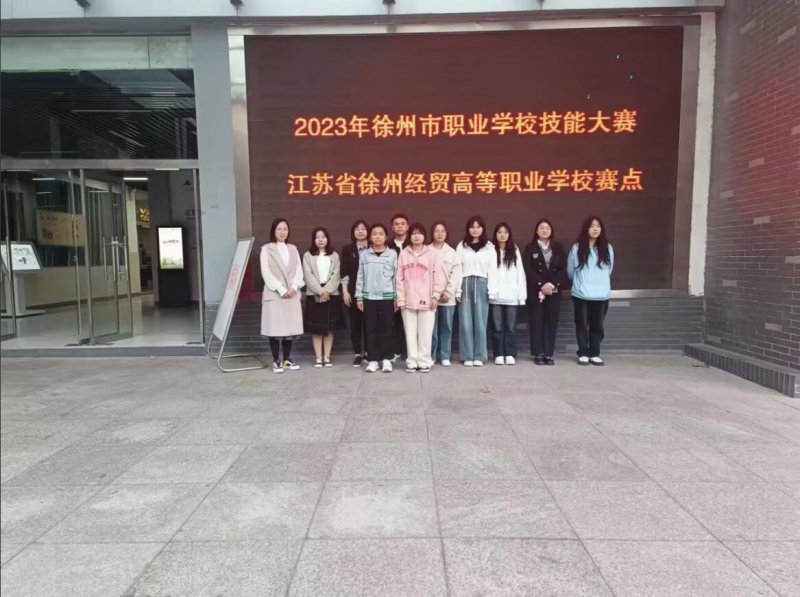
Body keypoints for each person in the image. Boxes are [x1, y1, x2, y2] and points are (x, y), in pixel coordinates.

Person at [567, 215, 615, 366]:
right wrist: (580, 284)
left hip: (601, 295)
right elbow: (571, 270)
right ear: (586, 229)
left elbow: (609, 270)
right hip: (581, 294)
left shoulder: (607, 248)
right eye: (592, 226)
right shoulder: (577, 248)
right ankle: (583, 352)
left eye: (598, 226)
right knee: (581, 325)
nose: (595, 229)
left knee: (597, 326)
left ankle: (594, 353)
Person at [397, 223, 444, 373]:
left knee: (426, 333)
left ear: (424, 235)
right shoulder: (404, 254)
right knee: (410, 333)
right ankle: (412, 361)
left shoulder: (433, 253)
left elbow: (439, 276)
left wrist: (435, 296)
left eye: (420, 233)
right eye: (413, 233)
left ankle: (424, 361)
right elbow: (399, 278)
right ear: (409, 236)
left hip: (427, 300)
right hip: (408, 300)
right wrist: (401, 299)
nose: (416, 236)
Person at [260, 218, 304, 373]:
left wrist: (293, 288)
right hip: (275, 294)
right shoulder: (266, 249)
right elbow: (266, 272)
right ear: (273, 231)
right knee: (275, 329)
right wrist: (281, 289)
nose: (282, 232)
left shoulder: (293, 248)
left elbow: (299, 270)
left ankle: (287, 359)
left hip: (291, 294)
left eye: (285, 229)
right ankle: (276, 360)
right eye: (279, 229)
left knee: (289, 331)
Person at [523, 219, 567, 365]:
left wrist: (552, 284)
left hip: (554, 290)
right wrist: (541, 284)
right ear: (536, 231)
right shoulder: (530, 248)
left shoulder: (558, 247)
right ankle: (538, 353)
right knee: (537, 321)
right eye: (541, 228)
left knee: (551, 320)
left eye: (547, 228)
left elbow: (563, 268)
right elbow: (527, 269)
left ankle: (548, 354)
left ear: (551, 231)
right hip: (536, 290)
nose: (544, 230)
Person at [356, 223, 398, 373]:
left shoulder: (392, 254)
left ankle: (387, 359)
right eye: (374, 234)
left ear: (386, 237)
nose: (377, 236)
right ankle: (373, 360)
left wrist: (396, 298)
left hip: (387, 297)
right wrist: (359, 297)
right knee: (370, 329)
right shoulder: (364, 254)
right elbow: (360, 276)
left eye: (381, 234)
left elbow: (396, 277)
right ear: (370, 237)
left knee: (387, 329)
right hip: (369, 297)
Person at [456, 216, 494, 367]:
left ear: (483, 228)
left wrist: (492, 290)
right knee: (465, 322)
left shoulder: (489, 247)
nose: (475, 230)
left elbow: (492, 269)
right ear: (468, 229)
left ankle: (479, 355)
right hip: (465, 282)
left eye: (478, 227)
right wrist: (457, 290)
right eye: (472, 227)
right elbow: (457, 268)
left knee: (480, 321)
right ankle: (467, 355)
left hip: (482, 283)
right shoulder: (462, 245)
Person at [302, 227, 341, 368]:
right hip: (314, 295)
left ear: (327, 239)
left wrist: (327, 291)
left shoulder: (334, 255)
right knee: (317, 329)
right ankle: (318, 358)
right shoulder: (308, 255)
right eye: (317, 237)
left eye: (323, 237)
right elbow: (308, 276)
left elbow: (336, 275)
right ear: (313, 240)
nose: (321, 239)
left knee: (329, 329)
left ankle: (327, 357)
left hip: (331, 294)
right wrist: (320, 292)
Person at [488, 222, 527, 365]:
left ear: (509, 234)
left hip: (512, 296)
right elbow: (489, 273)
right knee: (497, 327)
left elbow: (520, 273)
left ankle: (510, 353)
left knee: (510, 327)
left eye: (505, 232)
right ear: (495, 234)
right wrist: (491, 292)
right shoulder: (490, 250)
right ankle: (498, 354)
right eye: (499, 232)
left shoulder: (514, 250)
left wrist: (521, 295)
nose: (502, 235)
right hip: (496, 296)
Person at [430, 221, 462, 367]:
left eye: (442, 231)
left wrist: (449, 291)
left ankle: (445, 355)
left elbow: (456, 273)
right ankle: (431, 355)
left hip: (448, 297)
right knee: (431, 329)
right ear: (432, 233)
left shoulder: (452, 252)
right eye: (437, 231)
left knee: (446, 327)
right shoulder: (427, 250)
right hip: (431, 297)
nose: (439, 233)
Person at [340, 219, 370, 367]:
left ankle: (370, 353)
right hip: (352, 292)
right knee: (355, 324)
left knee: (370, 323)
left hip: (371, 291)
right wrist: (345, 292)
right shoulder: (348, 249)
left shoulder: (374, 247)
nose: (360, 231)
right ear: (353, 232)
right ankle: (358, 353)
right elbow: (344, 272)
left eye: (363, 228)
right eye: (357, 229)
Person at [390, 213, 411, 362]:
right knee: (394, 321)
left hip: (412, 289)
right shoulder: (387, 245)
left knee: (410, 321)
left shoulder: (414, 243)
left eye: (402, 224)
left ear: (407, 226)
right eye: (396, 224)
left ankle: (409, 351)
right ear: (392, 227)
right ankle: (396, 351)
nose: (400, 226)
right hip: (392, 288)